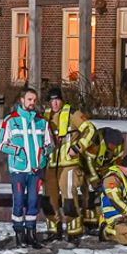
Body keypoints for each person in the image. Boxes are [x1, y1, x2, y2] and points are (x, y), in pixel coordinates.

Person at [43, 86, 99, 243]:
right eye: (52, 101)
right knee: (48, 200)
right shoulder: (43, 117)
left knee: (69, 198)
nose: (54, 104)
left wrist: (78, 147)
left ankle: (74, 231)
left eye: (57, 100)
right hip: (50, 164)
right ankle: (54, 230)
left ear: (62, 100)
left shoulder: (73, 114)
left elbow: (90, 130)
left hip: (69, 164)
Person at [0, 87, 49, 247]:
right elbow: (1, 144)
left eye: (34, 100)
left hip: (35, 170)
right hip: (19, 169)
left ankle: (31, 233)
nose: (32, 103)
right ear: (22, 100)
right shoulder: (10, 120)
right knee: (19, 201)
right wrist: (17, 151)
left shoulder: (41, 121)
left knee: (33, 201)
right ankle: (19, 233)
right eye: (29, 99)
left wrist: (43, 156)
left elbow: (48, 144)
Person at [98, 152, 127, 245]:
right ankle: (107, 232)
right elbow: (116, 201)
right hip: (115, 217)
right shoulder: (112, 179)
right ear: (125, 167)